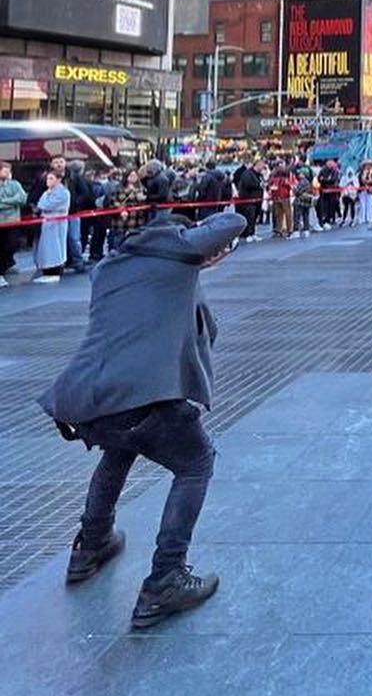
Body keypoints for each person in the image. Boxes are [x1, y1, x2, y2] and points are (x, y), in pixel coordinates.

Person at [38, 205, 245, 626]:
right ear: (178, 240)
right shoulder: (176, 255)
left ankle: (92, 544)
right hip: (148, 399)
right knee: (195, 464)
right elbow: (235, 222)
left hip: (93, 399)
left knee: (118, 449)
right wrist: (197, 248)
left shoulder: (109, 268)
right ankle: (166, 577)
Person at [34, 170, 72, 283]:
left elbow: (47, 205)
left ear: (59, 179)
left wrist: (44, 204)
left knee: (55, 247)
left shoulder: (64, 193)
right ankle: (47, 270)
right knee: (46, 247)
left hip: (57, 223)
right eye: (47, 179)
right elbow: (40, 204)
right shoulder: (46, 193)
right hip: (47, 222)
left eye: (51, 178)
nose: (48, 181)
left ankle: (55, 271)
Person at [0, 161, 28, 287]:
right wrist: (12, 202)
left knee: (13, 245)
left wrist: (4, 201)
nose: (8, 173)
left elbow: (22, 199)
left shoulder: (15, 184)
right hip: (1, 223)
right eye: (5, 170)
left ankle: (7, 264)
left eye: (8, 170)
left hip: (13, 221)